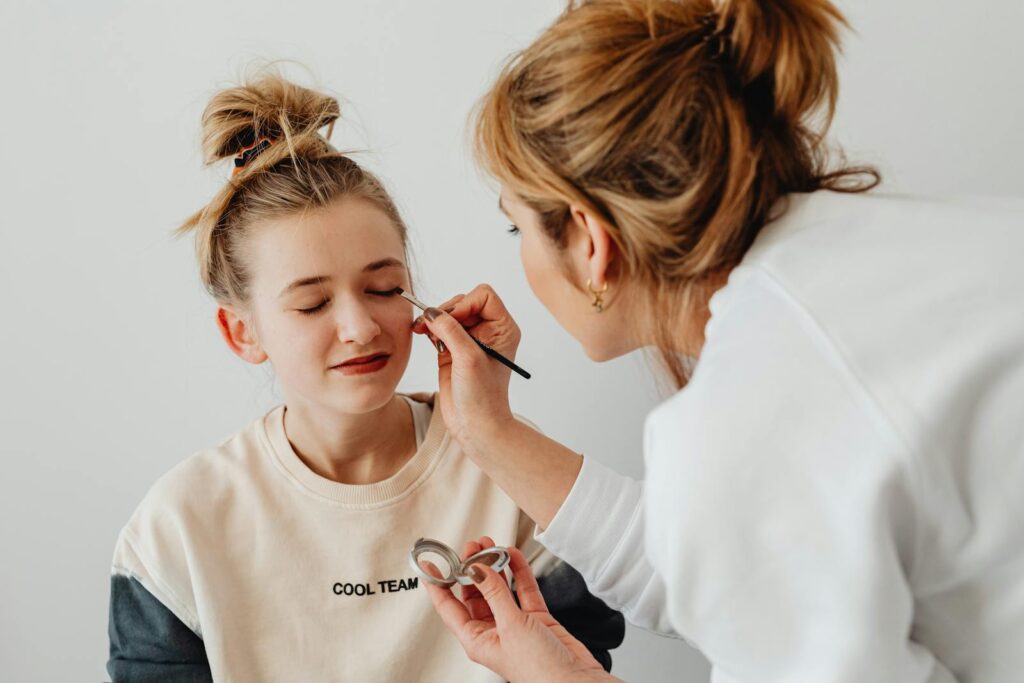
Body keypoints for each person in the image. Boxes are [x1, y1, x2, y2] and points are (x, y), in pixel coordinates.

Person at [412, 1, 1024, 681]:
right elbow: (763, 559)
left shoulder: (759, 410)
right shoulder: (886, 253)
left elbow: (750, 512)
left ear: (590, 241)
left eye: (515, 227)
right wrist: (486, 430)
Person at [105, 71, 623, 682]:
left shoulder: (512, 472)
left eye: (384, 289)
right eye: (312, 304)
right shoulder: (179, 526)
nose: (360, 326)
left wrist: (492, 431)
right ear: (242, 332)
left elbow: (585, 664)